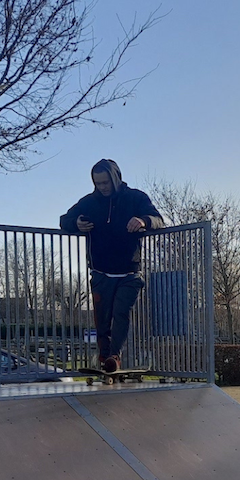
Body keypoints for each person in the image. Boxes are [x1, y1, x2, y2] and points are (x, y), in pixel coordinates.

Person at [59, 159, 164, 373]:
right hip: (100, 273)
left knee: (121, 314)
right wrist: (75, 223)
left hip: (129, 273)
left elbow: (158, 219)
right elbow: (64, 220)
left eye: (106, 182)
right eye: (98, 183)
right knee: (102, 320)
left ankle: (115, 356)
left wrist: (143, 221)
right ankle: (104, 357)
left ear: (115, 178)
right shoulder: (88, 202)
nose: (102, 187)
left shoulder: (135, 198)